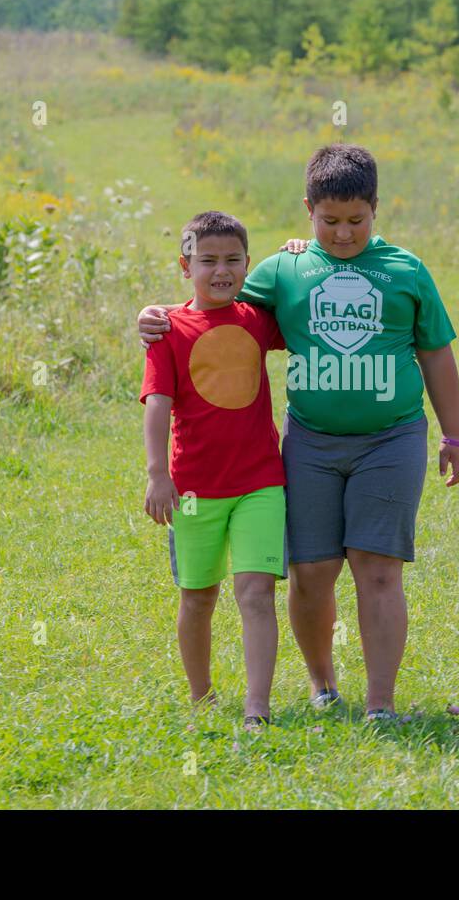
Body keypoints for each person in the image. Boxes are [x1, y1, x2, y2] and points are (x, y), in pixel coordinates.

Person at [139, 145, 459, 721]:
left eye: (357, 221)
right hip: (309, 443)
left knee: (379, 567)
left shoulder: (406, 270)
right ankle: (322, 686)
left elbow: (436, 354)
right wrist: (155, 316)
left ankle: (381, 705)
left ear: (376, 210)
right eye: (329, 222)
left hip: (392, 438)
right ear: (307, 210)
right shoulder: (285, 269)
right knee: (312, 573)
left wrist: (454, 436)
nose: (343, 235)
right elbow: (216, 301)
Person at [140, 210, 287, 730]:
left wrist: (297, 256)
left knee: (255, 592)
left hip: (261, 483)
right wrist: (158, 474)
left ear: (249, 264)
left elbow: (296, 306)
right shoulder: (167, 330)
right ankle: (200, 696)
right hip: (194, 490)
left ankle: (257, 708)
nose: (221, 270)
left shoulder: (256, 319)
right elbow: (156, 404)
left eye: (233, 260)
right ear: (185, 265)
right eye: (208, 261)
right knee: (198, 596)